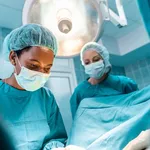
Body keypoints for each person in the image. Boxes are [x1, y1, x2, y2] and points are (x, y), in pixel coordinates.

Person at [0, 24, 67, 150]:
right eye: (33, 66)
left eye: (47, 68)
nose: (40, 74)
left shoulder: (46, 98)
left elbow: (56, 138)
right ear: (13, 58)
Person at [70, 42, 138, 119]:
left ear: (104, 59)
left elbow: (138, 110)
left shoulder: (125, 83)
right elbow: (78, 122)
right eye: (87, 62)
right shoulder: (79, 92)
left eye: (96, 60)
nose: (92, 65)